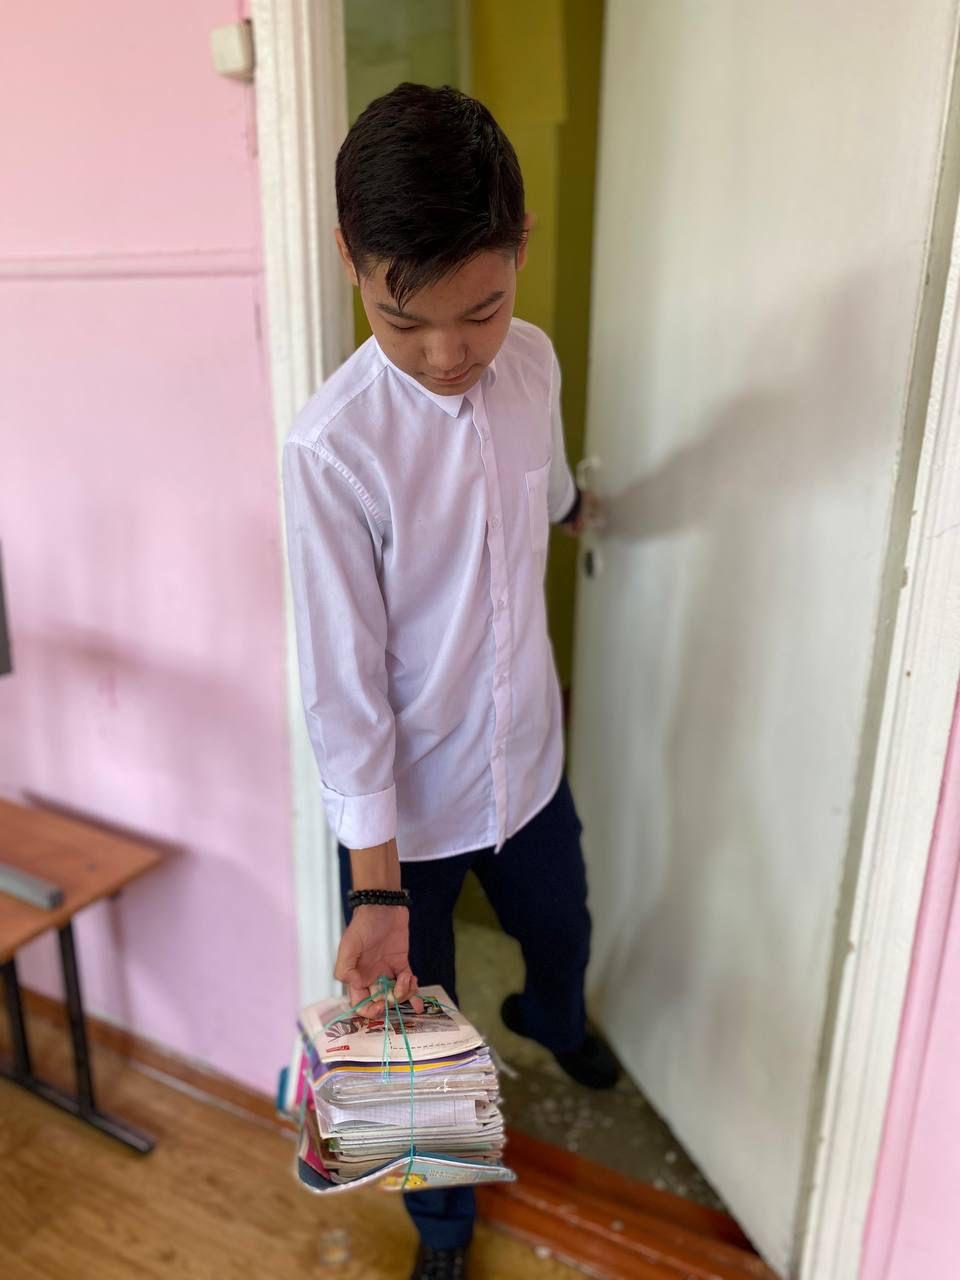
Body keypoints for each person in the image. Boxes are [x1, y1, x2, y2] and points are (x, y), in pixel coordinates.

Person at [282, 82, 618, 1280]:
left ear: (517, 247)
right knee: (413, 1042)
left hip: (525, 763)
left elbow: (543, 476)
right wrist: (376, 891)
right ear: (350, 260)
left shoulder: (534, 363)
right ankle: (443, 1231)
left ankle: (554, 1020)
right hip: (404, 816)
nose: (448, 354)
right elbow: (343, 688)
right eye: (403, 319)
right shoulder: (333, 448)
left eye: (480, 310)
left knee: (563, 926)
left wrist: (573, 509)